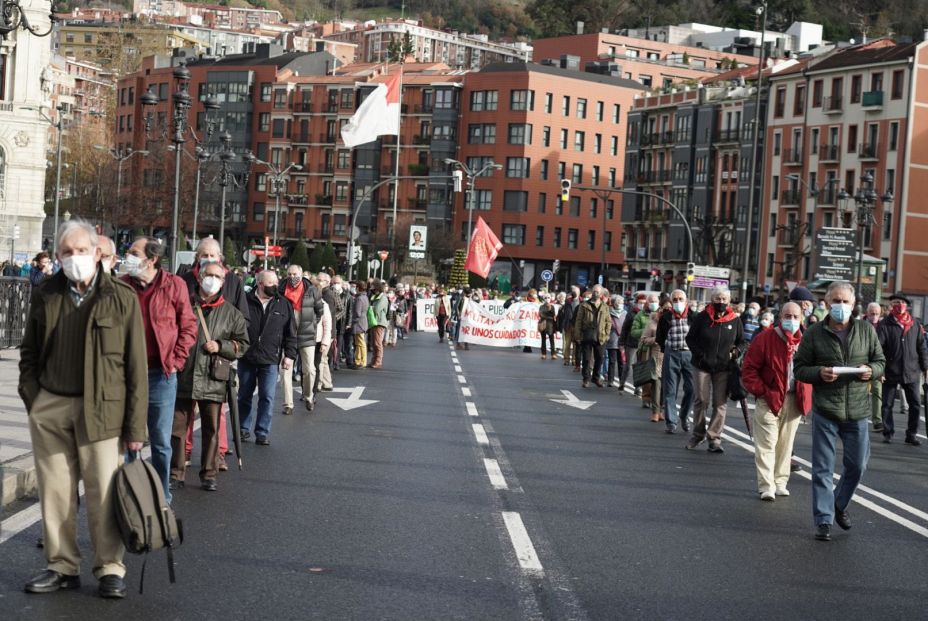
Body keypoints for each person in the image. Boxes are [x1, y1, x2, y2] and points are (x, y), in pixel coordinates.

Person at [19, 220, 147, 599]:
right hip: (52, 405)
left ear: (96, 252)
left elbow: (136, 367)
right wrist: (34, 399)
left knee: (103, 492)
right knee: (55, 492)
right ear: (58, 256)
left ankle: (109, 567)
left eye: (81, 250)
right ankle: (61, 565)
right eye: (66, 252)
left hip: (102, 410)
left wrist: (135, 429)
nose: (74, 257)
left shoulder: (121, 297)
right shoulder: (47, 294)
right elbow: (29, 351)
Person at [794, 281, 885, 542]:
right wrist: (819, 373)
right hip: (826, 408)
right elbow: (800, 368)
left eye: (845, 301)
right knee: (822, 468)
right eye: (836, 301)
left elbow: (880, 361)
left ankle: (839, 503)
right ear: (826, 303)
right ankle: (823, 519)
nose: (841, 306)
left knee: (858, 465)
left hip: (857, 410)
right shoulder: (814, 332)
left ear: (853, 305)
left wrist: (871, 371)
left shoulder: (866, 330)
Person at [121, 236, 197, 506]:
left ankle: (162, 497)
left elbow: (188, 326)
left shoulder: (173, 285)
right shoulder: (122, 285)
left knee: (160, 441)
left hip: (160, 375)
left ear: (152, 259)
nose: (128, 257)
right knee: (129, 439)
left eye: (134, 253)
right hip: (127, 375)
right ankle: (131, 496)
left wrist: (176, 361)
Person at [172, 261, 248, 492]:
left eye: (217, 276)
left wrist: (222, 346)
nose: (212, 280)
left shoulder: (232, 313)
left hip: (213, 377)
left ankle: (209, 474)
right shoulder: (184, 305)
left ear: (223, 282)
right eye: (208, 275)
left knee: (211, 430)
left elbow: (243, 344)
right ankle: (175, 473)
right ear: (199, 277)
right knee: (177, 429)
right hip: (184, 374)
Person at [742, 302, 812, 501]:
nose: (791, 320)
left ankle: (780, 482)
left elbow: (814, 368)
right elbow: (749, 370)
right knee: (766, 444)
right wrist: (763, 391)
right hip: (769, 399)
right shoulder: (765, 338)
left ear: (802, 319)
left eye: (795, 316)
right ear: (780, 317)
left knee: (785, 445)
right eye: (787, 316)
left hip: (794, 399)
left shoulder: (806, 341)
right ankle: (767, 486)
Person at [238, 270, 296, 444]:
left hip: (270, 358)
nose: (275, 286)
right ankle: (242, 428)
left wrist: (289, 355)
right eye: (271, 283)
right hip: (247, 356)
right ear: (260, 284)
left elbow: (290, 332)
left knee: (267, 396)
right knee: (244, 395)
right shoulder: (245, 301)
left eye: (276, 283)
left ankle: (262, 432)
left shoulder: (283, 304)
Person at [685, 285, 744, 453]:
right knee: (701, 400)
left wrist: (737, 351)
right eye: (718, 299)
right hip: (702, 366)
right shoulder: (702, 317)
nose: (721, 302)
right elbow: (690, 339)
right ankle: (698, 434)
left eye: (724, 299)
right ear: (712, 300)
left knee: (720, 403)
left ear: (729, 301)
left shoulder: (735, 320)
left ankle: (714, 438)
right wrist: (699, 355)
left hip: (723, 367)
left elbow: (742, 341)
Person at [876, 293, 927, 446]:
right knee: (887, 404)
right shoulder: (884, 324)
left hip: (912, 371)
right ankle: (888, 432)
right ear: (891, 306)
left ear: (906, 305)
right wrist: (880, 370)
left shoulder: (915, 324)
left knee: (915, 405)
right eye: (895, 302)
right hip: (890, 371)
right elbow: (878, 348)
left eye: (901, 302)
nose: (899, 305)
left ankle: (911, 434)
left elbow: (922, 347)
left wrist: (925, 367)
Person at [656, 289, 695, 434]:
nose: (678, 302)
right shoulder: (666, 317)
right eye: (675, 300)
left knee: (692, 389)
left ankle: (684, 415)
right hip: (671, 354)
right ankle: (671, 422)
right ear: (671, 302)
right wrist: (665, 349)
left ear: (686, 301)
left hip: (690, 355)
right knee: (670, 390)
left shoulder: (694, 316)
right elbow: (660, 337)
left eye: (680, 299)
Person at [289, 266, 325, 410]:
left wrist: (311, 324)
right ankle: (288, 404)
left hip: (307, 334)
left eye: (295, 274)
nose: (292, 277)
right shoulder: (283, 289)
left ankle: (309, 396)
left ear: (301, 274)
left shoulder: (312, 290)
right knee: (285, 370)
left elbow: (319, 311)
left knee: (310, 369)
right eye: (289, 274)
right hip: (289, 335)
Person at [575, 284, 611, 388]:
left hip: (600, 336)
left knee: (599, 358)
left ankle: (596, 377)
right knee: (586, 359)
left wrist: (607, 334)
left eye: (597, 292)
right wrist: (578, 335)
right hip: (587, 335)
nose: (595, 293)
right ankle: (586, 379)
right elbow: (578, 321)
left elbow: (608, 321)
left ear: (601, 294)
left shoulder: (605, 306)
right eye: (594, 291)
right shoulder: (584, 305)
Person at [632, 293, 659, 407]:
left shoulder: (661, 314)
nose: (653, 304)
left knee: (657, 375)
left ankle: (656, 399)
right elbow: (634, 332)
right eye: (651, 301)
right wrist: (646, 331)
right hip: (645, 349)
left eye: (655, 301)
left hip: (658, 349)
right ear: (647, 303)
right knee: (647, 374)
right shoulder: (640, 315)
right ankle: (646, 398)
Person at [639, 310, 664, 423]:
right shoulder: (652, 323)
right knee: (656, 385)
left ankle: (661, 410)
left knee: (665, 386)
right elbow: (644, 339)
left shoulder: (673, 322)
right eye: (663, 309)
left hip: (670, 357)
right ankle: (655, 411)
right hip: (656, 358)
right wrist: (656, 339)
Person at [619, 293, 648, 392]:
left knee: (640, 366)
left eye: (644, 303)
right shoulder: (631, 313)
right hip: (631, 343)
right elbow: (625, 328)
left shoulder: (648, 314)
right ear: (636, 303)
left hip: (643, 344)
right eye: (640, 303)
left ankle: (637, 387)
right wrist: (621, 343)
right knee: (629, 366)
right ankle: (622, 383)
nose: (642, 305)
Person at [316, 271, 340, 388]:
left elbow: (326, 317)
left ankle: (319, 383)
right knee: (324, 359)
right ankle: (327, 382)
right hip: (328, 332)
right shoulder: (325, 293)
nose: (317, 282)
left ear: (327, 282)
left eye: (320, 280)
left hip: (326, 332)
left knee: (321, 359)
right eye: (317, 279)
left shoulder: (327, 295)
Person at [864, 302, 885, 432]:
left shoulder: (882, 327)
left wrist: (882, 371)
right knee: (862, 392)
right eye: (872, 313)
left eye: (877, 314)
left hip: (876, 365)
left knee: (877, 391)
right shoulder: (859, 325)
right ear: (867, 313)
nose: (874, 316)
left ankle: (877, 420)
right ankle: (859, 418)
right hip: (861, 363)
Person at [369, 280, 388, 368]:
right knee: (374, 343)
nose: (371, 289)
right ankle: (373, 360)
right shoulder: (375, 297)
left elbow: (377, 309)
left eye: (373, 287)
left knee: (377, 343)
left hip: (379, 322)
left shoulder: (383, 298)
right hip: (374, 322)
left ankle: (378, 361)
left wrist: (369, 308)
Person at [351, 281, 370, 368]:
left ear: (358, 288)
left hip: (359, 323)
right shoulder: (365, 297)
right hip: (363, 322)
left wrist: (352, 321)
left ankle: (362, 361)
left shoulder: (359, 298)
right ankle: (358, 360)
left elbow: (357, 313)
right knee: (359, 343)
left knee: (361, 343)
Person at [538, 293, 557, 360]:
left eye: (548, 297)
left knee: (552, 340)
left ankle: (553, 354)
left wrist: (548, 312)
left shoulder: (552, 306)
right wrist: (548, 315)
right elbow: (541, 315)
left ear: (550, 298)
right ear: (544, 299)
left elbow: (553, 314)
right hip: (543, 324)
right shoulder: (541, 306)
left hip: (550, 325)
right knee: (543, 340)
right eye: (545, 298)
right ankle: (543, 354)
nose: (547, 299)